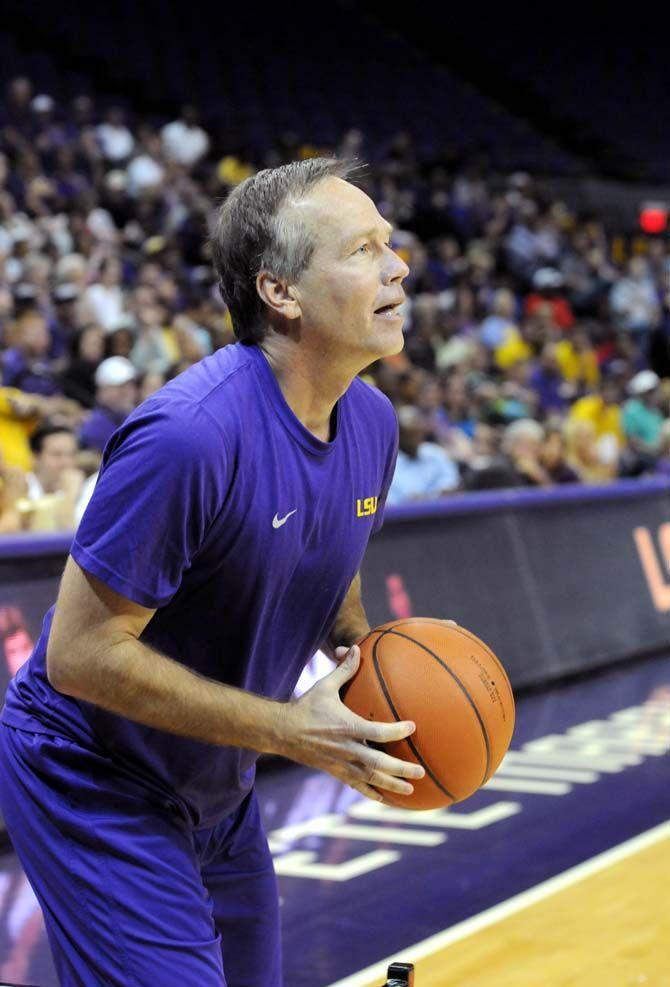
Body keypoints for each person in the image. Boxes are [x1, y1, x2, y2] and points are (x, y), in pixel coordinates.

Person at [0, 158, 431, 987]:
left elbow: (326, 550)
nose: (397, 264)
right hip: (91, 776)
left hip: (216, 780)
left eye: (391, 242)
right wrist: (288, 729)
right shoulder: (188, 437)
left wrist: (367, 658)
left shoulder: (372, 421)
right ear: (281, 293)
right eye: (363, 248)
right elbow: (80, 657)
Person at [78, 355, 138, 452]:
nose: (127, 392)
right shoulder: (94, 426)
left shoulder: (134, 415)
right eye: (120, 387)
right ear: (102, 390)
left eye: (130, 386)